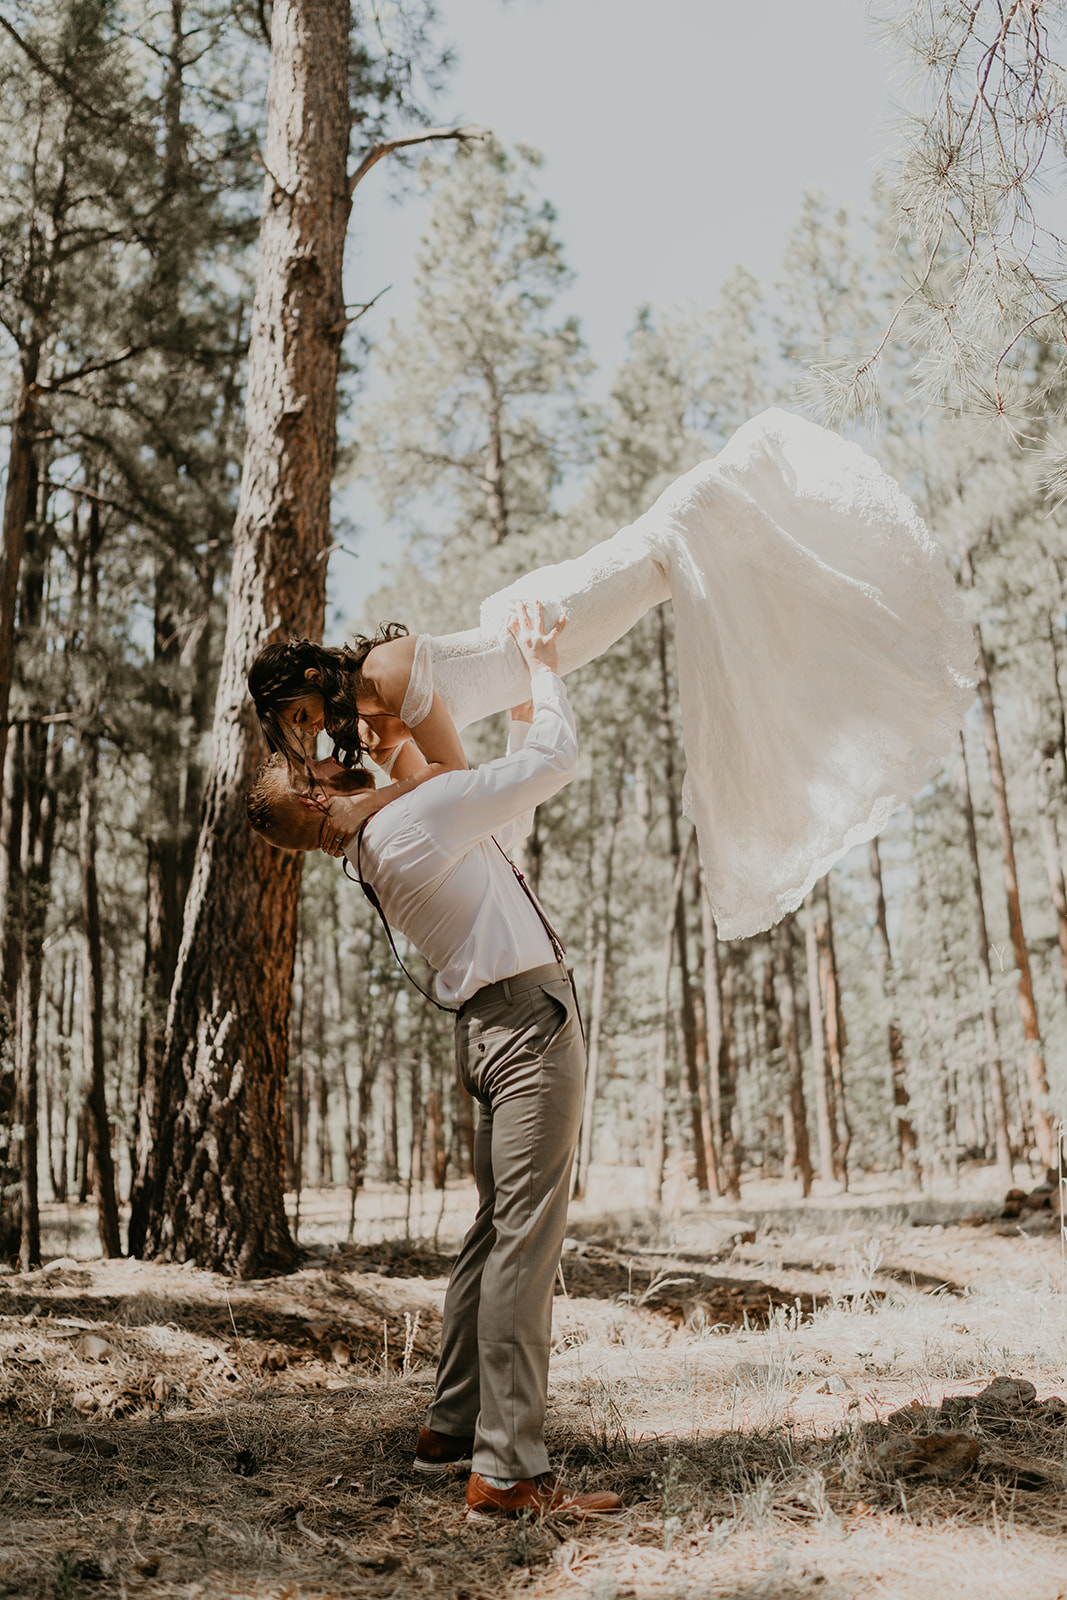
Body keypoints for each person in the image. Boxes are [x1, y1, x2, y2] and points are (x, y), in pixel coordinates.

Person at [247, 407, 977, 941]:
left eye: (302, 716)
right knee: (678, 566)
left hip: (549, 619)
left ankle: (808, 535)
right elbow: (449, 795)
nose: (310, 737)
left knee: (670, 543)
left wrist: (371, 801)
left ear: (315, 675)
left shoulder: (383, 672)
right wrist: (392, 787)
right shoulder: (374, 729)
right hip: (534, 659)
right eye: (297, 734)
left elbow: (454, 775)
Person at [246, 603, 624, 1523]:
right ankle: (505, 1470)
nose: (336, 746)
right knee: (523, 1249)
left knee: (496, 1234)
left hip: (493, 1028)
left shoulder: (382, 840)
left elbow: (484, 786)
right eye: (318, 760)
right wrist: (539, 668)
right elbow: (548, 768)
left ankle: (451, 1428)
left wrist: (397, 726)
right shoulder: (410, 821)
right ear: (313, 802)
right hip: (528, 1027)